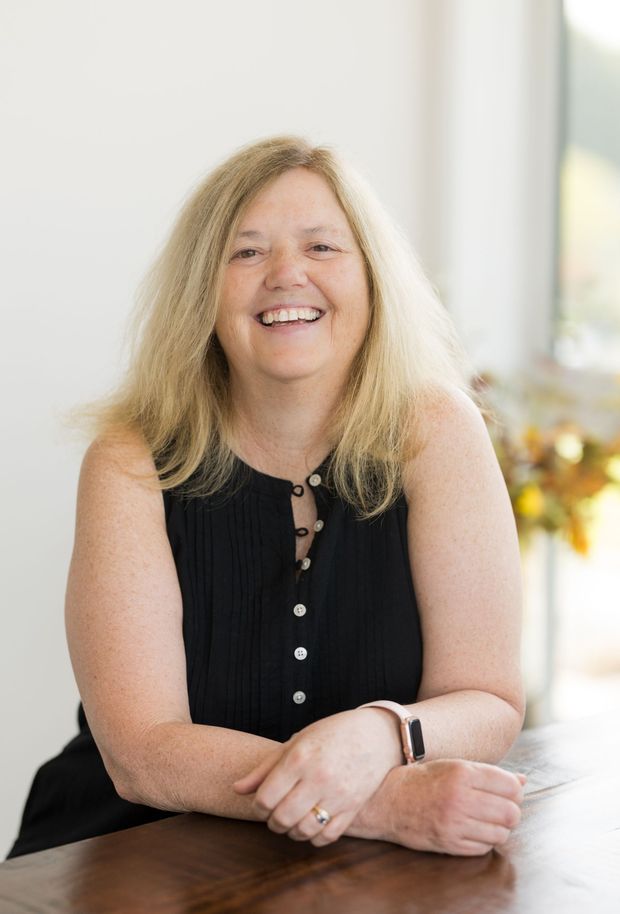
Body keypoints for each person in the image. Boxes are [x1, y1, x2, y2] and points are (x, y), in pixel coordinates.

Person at [7, 135, 526, 860]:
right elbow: (142, 754)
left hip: (362, 873)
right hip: (133, 855)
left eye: (322, 247)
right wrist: (376, 802)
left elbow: (488, 701)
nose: (287, 275)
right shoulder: (129, 460)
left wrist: (378, 734)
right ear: (202, 293)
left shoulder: (436, 431)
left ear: (372, 277)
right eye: (246, 253)